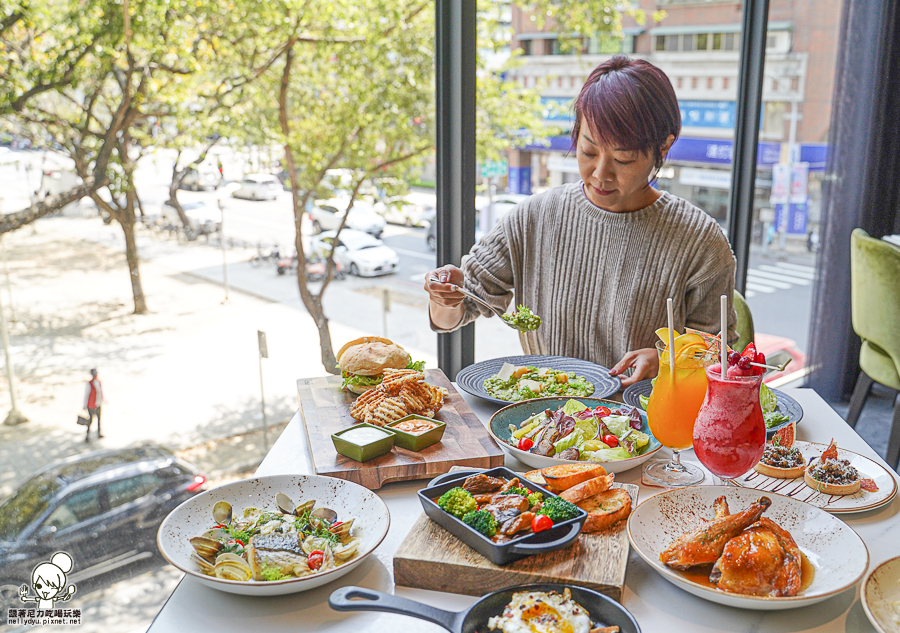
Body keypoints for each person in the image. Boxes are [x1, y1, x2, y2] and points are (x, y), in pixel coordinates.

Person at [425, 55, 737, 387]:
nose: (600, 173)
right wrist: (444, 298)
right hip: (538, 418)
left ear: (663, 147)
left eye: (623, 158)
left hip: (642, 426)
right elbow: (455, 314)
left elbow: (719, 355)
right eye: (588, 152)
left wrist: (664, 359)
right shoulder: (533, 218)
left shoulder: (700, 241)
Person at [82, 368, 103, 442]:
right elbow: (86, 395)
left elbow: (100, 392)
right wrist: (84, 405)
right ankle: (87, 436)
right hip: (91, 405)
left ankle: (99, 433)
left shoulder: (98, 382)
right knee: (90, 421)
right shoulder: (89, 384)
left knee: (98, 419)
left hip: (97, 404)